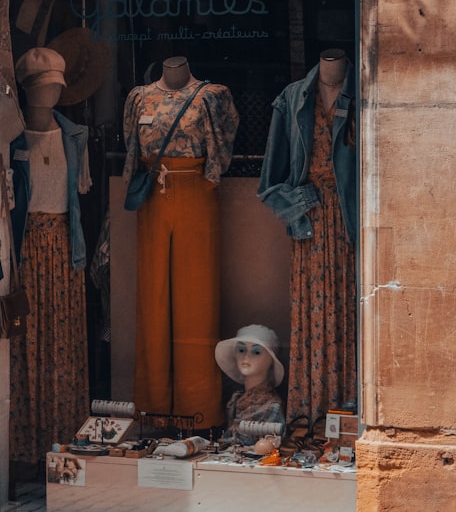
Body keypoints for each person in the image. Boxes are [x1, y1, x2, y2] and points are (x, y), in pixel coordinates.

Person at [121, 56, 239, 429]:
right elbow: (131, 150)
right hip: (154, 196)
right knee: (152, 299)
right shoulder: (138, 98)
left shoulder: (212, 96)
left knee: (196, 300)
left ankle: (197, 409)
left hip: (195, 193)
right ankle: (153, 409)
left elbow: (222, 151)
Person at [257, 49, 357, 426]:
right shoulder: (293, 97)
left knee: (348, 314)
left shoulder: (363, 94)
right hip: (310, 223)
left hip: (350, 224)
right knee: (313, 314)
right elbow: (270, 179)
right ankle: (309, 415)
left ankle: (346, 415)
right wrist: (299, 200)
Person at [8, 47, 91, 481]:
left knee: (63, 341)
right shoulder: (11, 140)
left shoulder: (74, 136)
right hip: (26, 253)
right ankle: (26, 447)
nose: (52, 95)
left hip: (63, 251)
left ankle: (64, 439)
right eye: (44, 88)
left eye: (56, 87)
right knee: (26, 343)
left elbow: (78, 204)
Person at [214, 324, 286, 446]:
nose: (246, 357)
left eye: (256, 352)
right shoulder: (235, 399)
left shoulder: (271, 406)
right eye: (241, 350)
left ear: (270, 360)